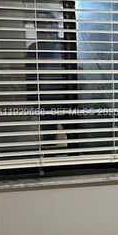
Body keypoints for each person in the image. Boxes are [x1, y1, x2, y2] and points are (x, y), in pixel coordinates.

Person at [25, 11, 66, 144]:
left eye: (49, 24)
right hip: (46, 105)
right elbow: (30, 82)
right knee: (48, 142)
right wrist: (33, 113)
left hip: (68, 101)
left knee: (73, 138)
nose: (46, 30)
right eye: (41, 26)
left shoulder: (66, 45)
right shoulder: (34, 50)